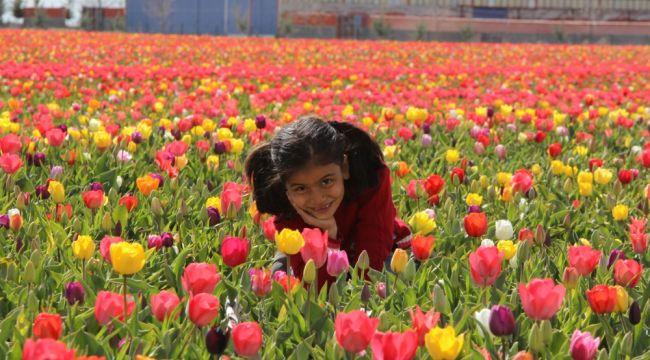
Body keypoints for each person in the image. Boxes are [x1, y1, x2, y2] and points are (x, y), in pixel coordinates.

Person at [244, 116, 411, 288]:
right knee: (280, 274)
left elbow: (368, 274)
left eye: (326, 181)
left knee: (388, 280)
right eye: (301, 188)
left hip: (380, 250)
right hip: (326, 260)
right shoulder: (285, 205)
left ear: (344, 167)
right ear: (285, 186)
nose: (317, 198)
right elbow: (317, 290)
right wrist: (328, 235)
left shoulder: (370, 178)